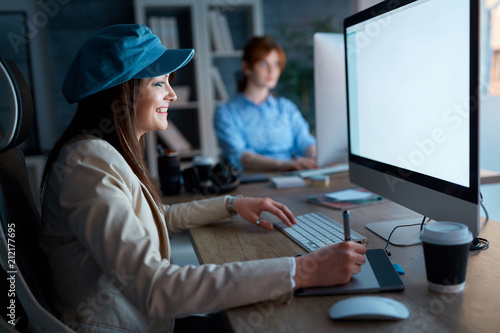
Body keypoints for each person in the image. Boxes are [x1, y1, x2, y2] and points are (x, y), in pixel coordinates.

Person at [39, 24, 366, 332]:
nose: (173, 95)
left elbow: (157, 218)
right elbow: (157, 288)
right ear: (119, 95)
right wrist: (302, 270)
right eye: (158, 83)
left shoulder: (101, 155)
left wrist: (232, 203)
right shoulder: (88, 165)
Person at [213, 35, 318, 172]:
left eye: (276, 64)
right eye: (263, 63)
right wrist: (283, 165)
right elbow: (240, 156)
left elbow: (306, 142)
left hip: (293, 175)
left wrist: (313, 158)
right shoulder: (226, 112)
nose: (272, 70)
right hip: (252, 182)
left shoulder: (286, 107)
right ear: (247, 68)